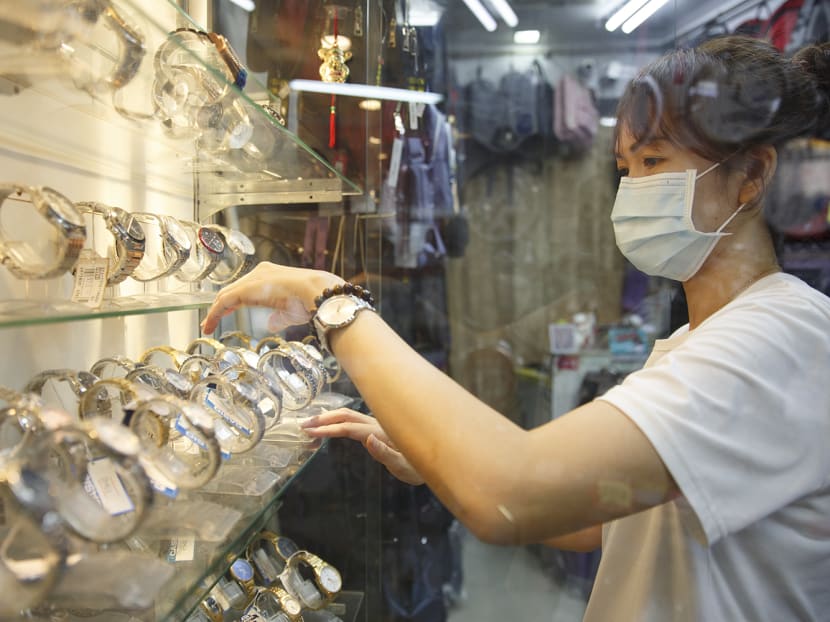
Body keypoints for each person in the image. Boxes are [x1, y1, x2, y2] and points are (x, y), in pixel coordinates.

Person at [202, 36, 830, 620]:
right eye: (626, 168)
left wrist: (329, 298)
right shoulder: (701, 341)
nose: (633, 190)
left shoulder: (780, 340)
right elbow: (600, 516)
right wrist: (434, 459)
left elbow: (517, 491)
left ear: (751, 175)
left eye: (655, 161)